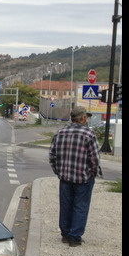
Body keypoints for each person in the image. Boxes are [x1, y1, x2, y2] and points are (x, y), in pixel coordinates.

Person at [48, 105, 102, 247]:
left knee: (65, 205)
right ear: (83, 118)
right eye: (87, 117)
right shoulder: (89, 135)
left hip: (65, 177)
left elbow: (52, 156)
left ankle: (65, 234)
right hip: (83, 178)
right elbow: (95, 159)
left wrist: (58, 172)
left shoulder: (60, 133)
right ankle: (75, 237)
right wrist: (92, 174)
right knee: (81, 206)